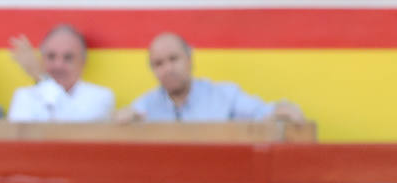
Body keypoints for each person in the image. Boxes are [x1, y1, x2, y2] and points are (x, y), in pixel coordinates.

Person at [116, 32, 308, 124]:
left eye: (173, 59)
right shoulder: (146, 105)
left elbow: (265, 113)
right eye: (158, 64)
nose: (167, 69)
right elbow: (119, 123)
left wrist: (284, 111)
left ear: (190, 60)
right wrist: (119, 121)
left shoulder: (224, 95)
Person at [7, 25, 115, 122]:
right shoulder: (24, 96)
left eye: (68, 58)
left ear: (83, 62)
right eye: (51, 56)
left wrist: (41, 77)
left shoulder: (100, 97)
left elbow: (72, 127)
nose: (58, 65)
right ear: (42, 59)